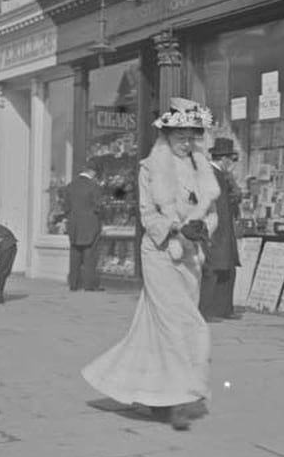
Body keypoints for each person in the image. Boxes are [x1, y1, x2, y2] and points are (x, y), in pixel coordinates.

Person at [81, 97, 220, 431]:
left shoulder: (204, 168)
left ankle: (149, 390)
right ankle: (177, 397)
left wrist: (203, 228)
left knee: (157, 325)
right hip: (159, 254)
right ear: (166, 136)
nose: (186, 142)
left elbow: (211, 213)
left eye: (192, 135)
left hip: (189, 257)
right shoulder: (150, 167)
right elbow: (147, 214)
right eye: (180, 135)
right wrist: (175, 227)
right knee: (181, 323)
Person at [199, 137, 243, 322]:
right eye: (230, 160)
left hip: (225, 229)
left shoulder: (222, 175)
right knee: (212, 270)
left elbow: (234, 199)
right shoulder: (210, 174)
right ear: (224, 159)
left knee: (228, 269)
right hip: (215, 229)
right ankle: (206, 310)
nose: (231, 164)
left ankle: (224, 309)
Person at [62, 160, 104, 291]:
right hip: (91, 224)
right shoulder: (94, 186)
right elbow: (98, 206)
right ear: (93, 172)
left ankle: (73, 284)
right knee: (90, 255)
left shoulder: (70, 186)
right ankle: (89, 285)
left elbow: (66, 207)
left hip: (74, 225)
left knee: (74, 254)